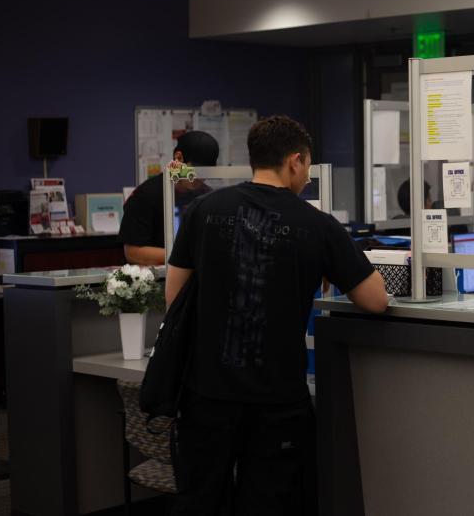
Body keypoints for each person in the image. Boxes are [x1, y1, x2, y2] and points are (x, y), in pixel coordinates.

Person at [165, 115, 388, 515]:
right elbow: (375, 300)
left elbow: (175, 293)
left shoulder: (204, 209)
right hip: (276, 399)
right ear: (296, 162)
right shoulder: (318, 225)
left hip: (205, 392)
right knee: (271, 503)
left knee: (200, 501)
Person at [119, 130, 219, 265]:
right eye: (196, 170)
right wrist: (188, 255)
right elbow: (133, 252)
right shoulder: (146, 195)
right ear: (178, 158)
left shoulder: (207, 196)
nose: (201, 177)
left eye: (207, 171)